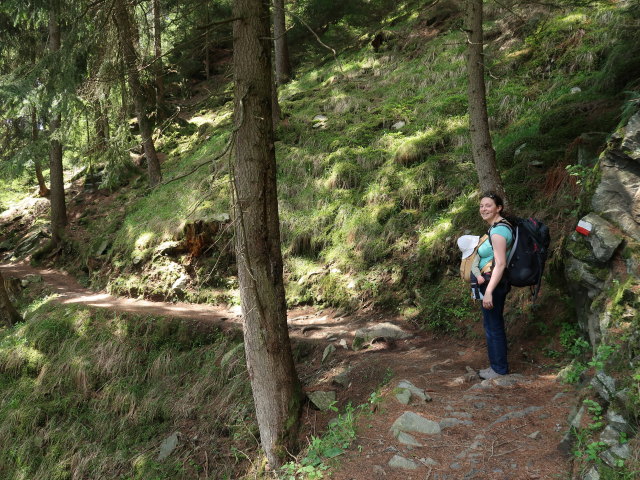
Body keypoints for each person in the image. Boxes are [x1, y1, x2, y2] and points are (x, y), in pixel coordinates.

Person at [476, 192, 513, 380]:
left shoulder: (498, 231)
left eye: (488, 205)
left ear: (499, 208)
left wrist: (489, 291)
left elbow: (500, 263)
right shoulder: (497, 228)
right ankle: (497, 366)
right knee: (492, 323)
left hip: (493, 284)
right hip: (491, 283)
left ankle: (498, 369)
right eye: (482, 205)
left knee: (493, 325)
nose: (484, 209)